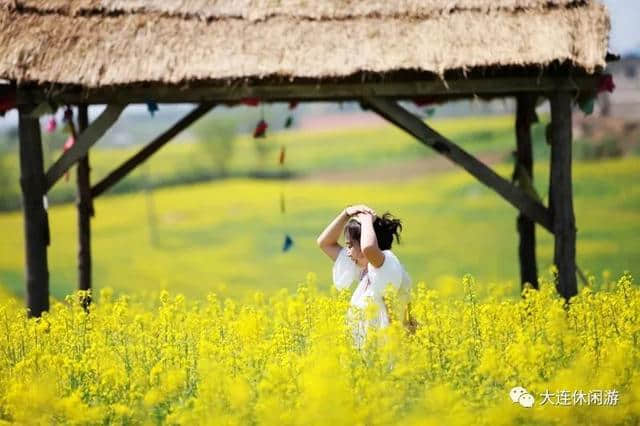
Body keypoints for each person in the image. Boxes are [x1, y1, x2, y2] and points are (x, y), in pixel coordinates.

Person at [316, 204, 415, 348]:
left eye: (350, 245)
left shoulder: (386, 265)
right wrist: (346, 213)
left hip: (390, 356)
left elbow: (368, 248)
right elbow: (325, 243)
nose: (348, 252)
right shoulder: (365, 271)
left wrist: (366, 219)